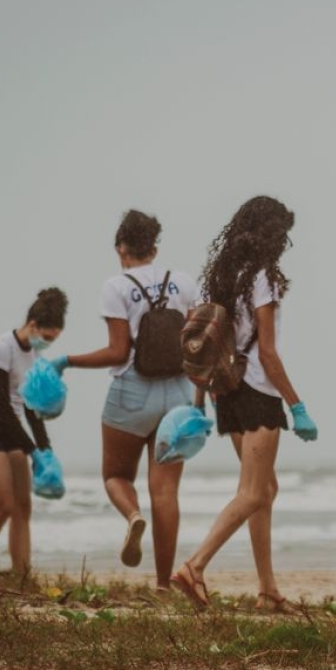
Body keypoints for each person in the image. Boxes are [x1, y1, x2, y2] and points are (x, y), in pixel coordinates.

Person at [171, 196, 318, 613]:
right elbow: (268, 353)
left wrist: (201, 403)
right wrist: (297, 405)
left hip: (225, 394)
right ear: (271, 234)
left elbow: (203, 347)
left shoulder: (216, 279)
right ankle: (194, 566)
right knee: (253, 492)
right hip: (256, 393)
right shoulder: (261, 279)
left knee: (264, 490)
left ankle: (268, 590)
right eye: (282, 233)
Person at [51, 210, 198, 589]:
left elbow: (118, 353)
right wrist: (201, 398)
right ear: (155, 247)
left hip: (132, 392)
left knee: (116, 475)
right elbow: (197, 344)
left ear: (121, 248)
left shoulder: (116, 286)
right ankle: (165, 584)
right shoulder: (182, 282)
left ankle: (133, 516)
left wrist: (69, 360)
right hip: (180, 394)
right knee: (165, 491)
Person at [0, 288, 67, 576]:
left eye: (53, 340)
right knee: (3, 505)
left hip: (9, 431)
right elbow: (2, 404)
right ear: (32, 325)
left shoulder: (33, 355)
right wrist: (31, 449)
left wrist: (44, 449)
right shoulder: (1, 348)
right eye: (46, 337)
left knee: (23, 506)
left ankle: (22, 575)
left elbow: (31, 408)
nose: (46, 344)